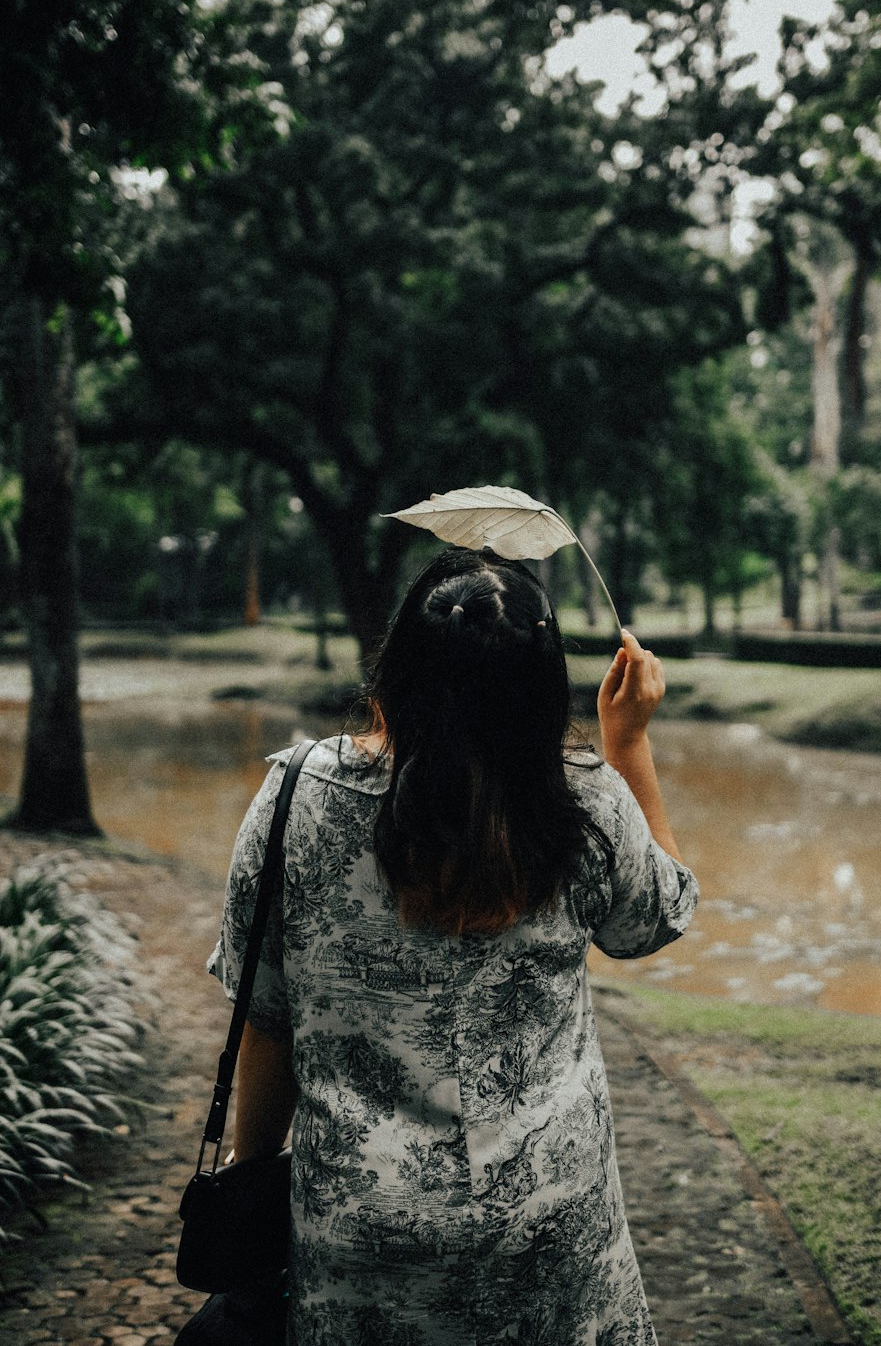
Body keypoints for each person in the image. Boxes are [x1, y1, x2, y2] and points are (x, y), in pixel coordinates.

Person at [209, 548, 698, 1346]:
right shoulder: (586, 804)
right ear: (542, 688)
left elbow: (267, 1021)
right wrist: (630, 742)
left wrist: (249, 1186)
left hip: (360, 1236)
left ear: (397, 664)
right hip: (550, 1229)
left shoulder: (295, 797)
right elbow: (654, 919)